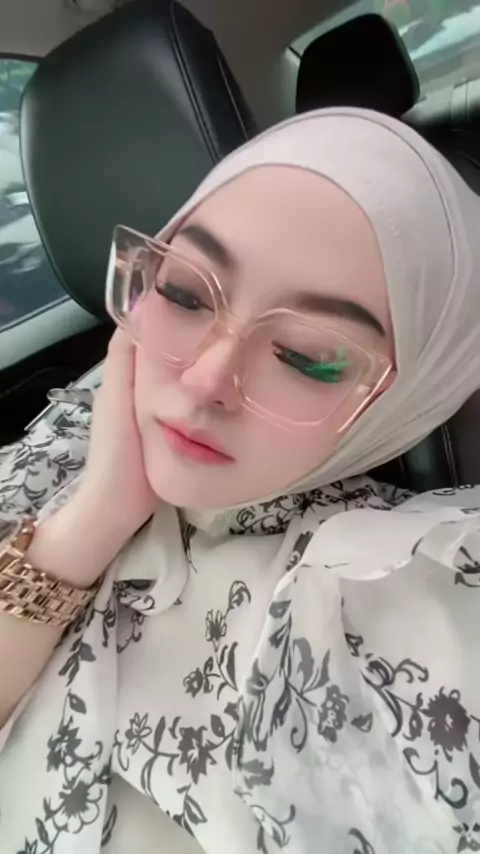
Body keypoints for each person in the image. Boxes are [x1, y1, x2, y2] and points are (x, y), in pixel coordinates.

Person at [0, 107, 480, 854]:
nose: (204, 380)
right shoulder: (71, 435)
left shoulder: (388, 594)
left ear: (407, 401)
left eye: (310, 357)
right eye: (185, 294)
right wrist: (96, 516)